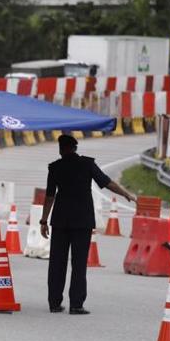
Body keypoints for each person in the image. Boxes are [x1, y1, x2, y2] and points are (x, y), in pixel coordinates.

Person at [39, 134, 136, 314]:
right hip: (82, 221)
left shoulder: (55, 167)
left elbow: (50, 196)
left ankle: (54, 303)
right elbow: (107, 182)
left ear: (61, 149)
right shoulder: (87, 164)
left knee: (57, 263)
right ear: (75, 148)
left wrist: (44, 221)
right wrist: (126, 194)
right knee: (79, 263)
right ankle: (76, 304)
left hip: (60, 221)